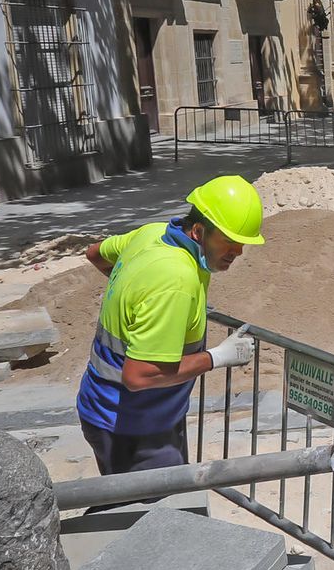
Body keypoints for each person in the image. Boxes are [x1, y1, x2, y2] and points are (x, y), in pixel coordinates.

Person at [76, 176, 265, 479]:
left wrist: (139, 293)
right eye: (229, 241)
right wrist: (217, 357)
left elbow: (95, 253)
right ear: (199, 230)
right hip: (132, 428)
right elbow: (138, 376)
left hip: (114, 411)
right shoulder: (175, 281)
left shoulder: (152, 233)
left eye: (242, 243)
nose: (238, 251)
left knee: (135, 507)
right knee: (156, 517)